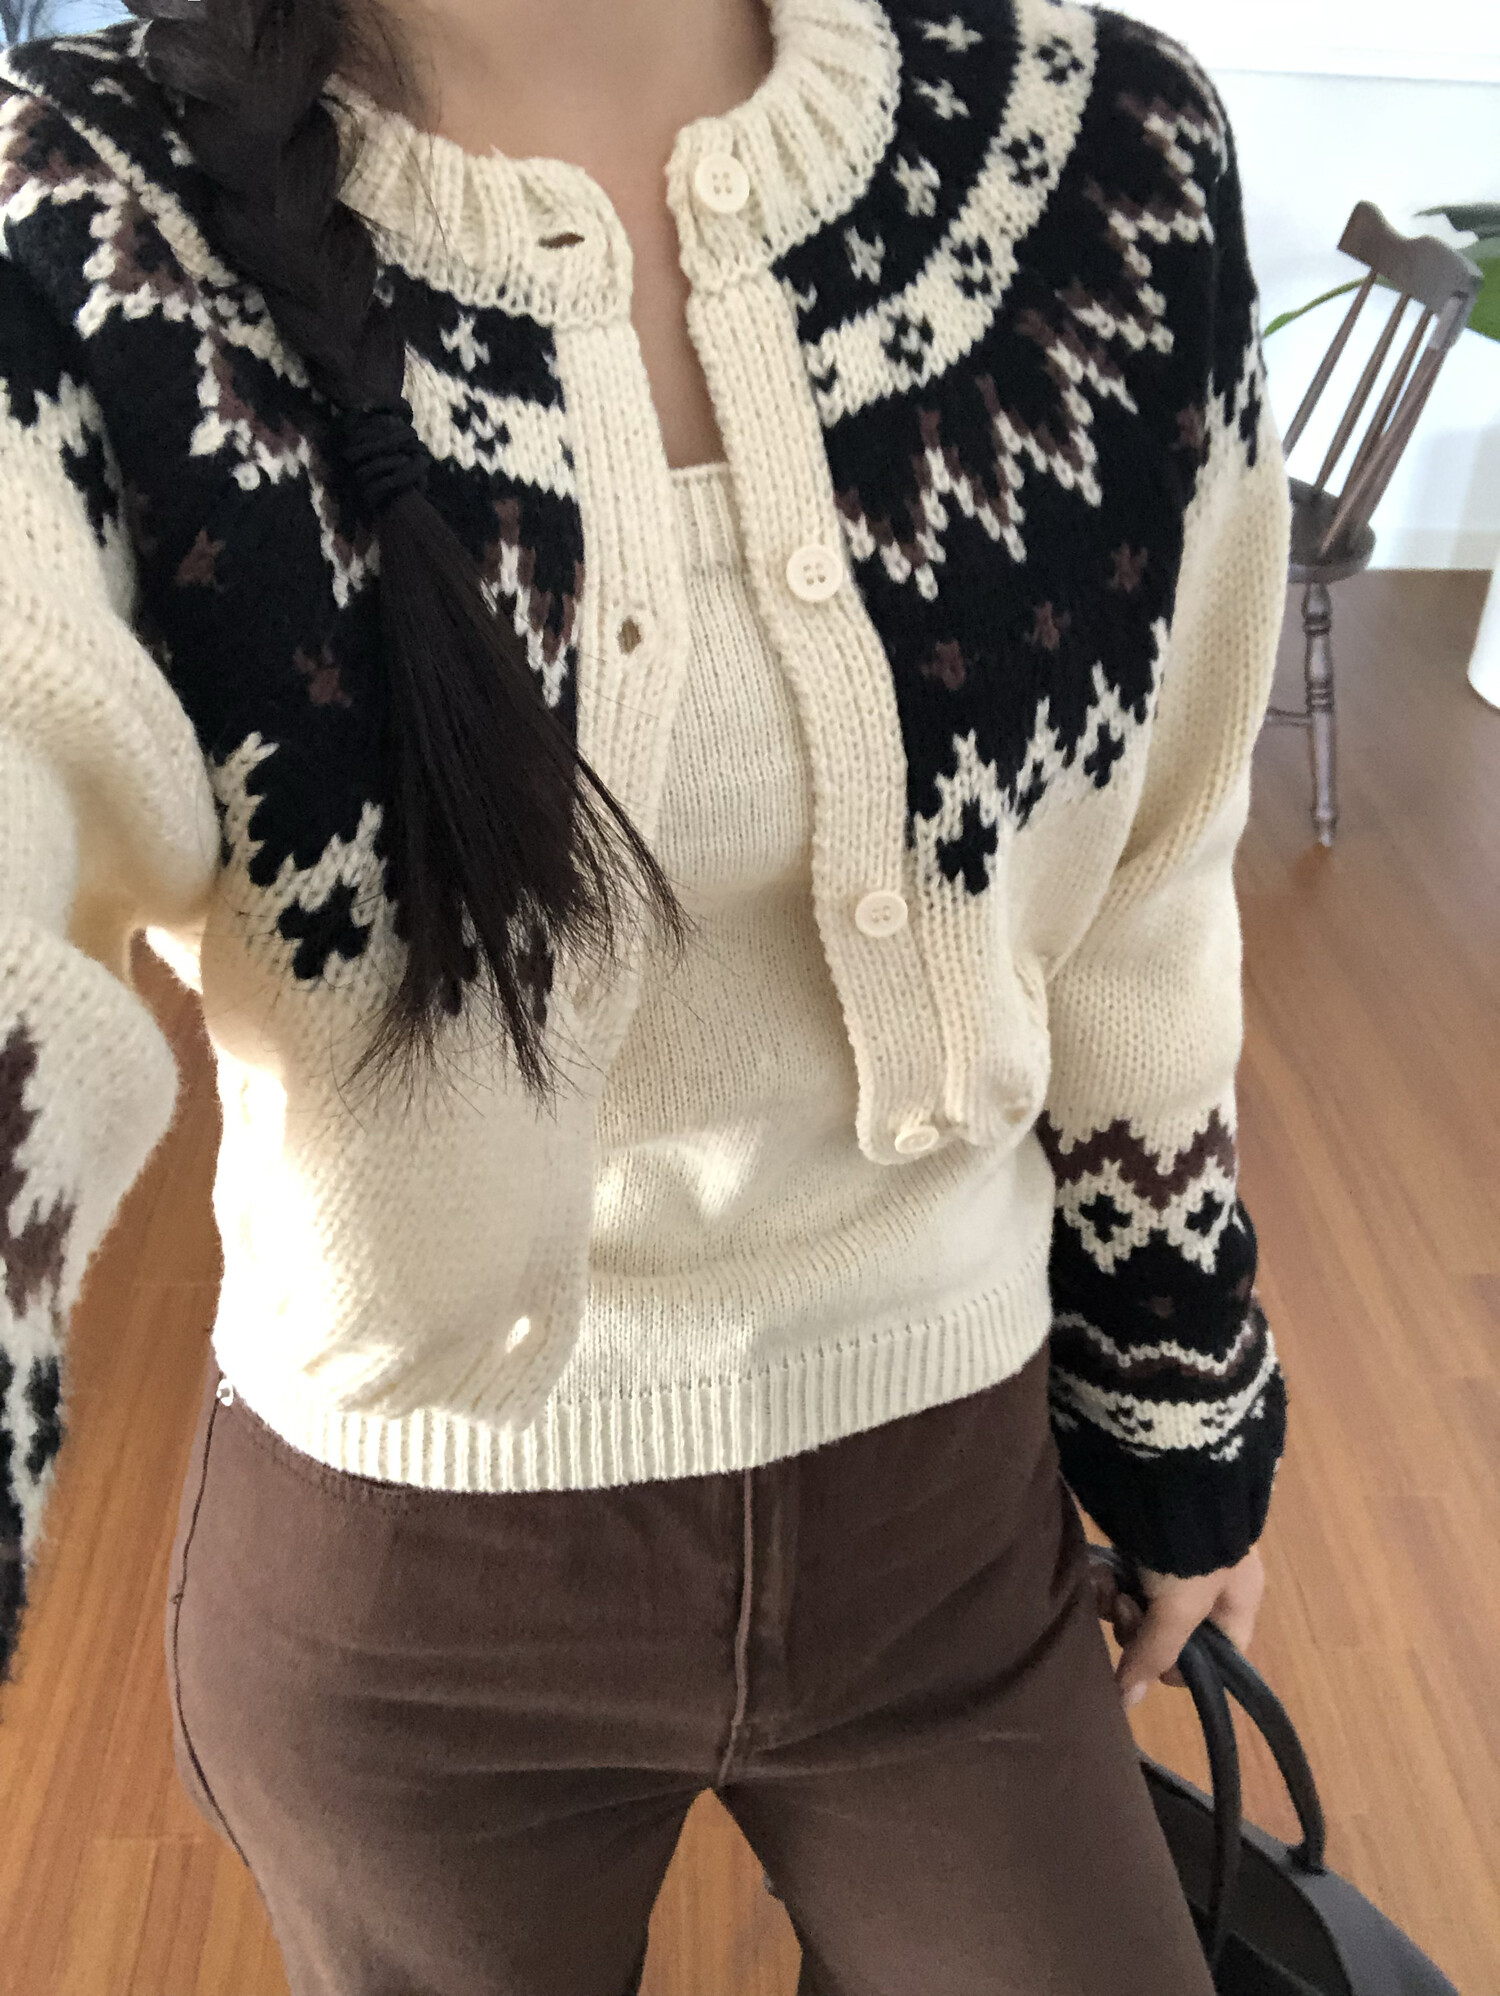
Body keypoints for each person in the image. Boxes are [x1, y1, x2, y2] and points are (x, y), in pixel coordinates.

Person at [0, 0, 1291, 1989]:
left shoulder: (1107, 153)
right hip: (413, 1568)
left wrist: (1178, 1393)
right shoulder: (84, 221)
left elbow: (1153, 877)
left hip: (948, 1500)